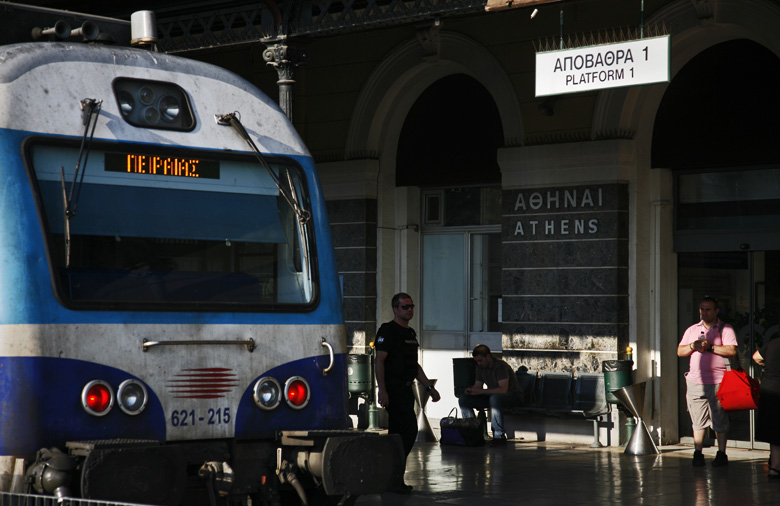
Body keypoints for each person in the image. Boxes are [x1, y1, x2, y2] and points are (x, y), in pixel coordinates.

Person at [375, 292, 440, 493]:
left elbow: (414, 366)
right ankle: (392, 477)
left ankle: (393, 477)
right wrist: (382, 390)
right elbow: (379, 361)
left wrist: (429, 387)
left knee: (402, 435)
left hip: (406, 389)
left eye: (411, 306)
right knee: (407, 432)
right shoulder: (388, 330)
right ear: (395, 309)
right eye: (405, 307)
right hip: (393, 389)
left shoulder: (410, 334)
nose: (409, 310)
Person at [677, 296, 738, 467]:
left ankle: (721, 453)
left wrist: (710, 347)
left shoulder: (725, 328)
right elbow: (680, 351)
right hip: (695, 381)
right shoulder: (692, 330)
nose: (704, 312)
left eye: (708, 309)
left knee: (719, 419)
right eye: (702, 309)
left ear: (716, 311)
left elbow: (731, 350)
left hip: (719, 381)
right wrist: (692, 346)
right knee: (697, 419)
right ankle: (698, 452)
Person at [458, 344, 524, 444]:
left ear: (488, 356)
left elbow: (503, 390)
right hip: (493, 396)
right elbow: (478, 386)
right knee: (464, 399)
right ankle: (471, 432)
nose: (479, 363)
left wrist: (480, 391)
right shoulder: (480, 368)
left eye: (480, 360)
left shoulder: (500, 366)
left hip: (513, 396)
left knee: (495, 398)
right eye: (477, 361)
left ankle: (498, 435)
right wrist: (471, 391)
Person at [753, 335, 780, 479]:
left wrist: (768, 365)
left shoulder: (773, 343)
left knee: (774, 432)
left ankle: (775, 468)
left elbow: (756, 357)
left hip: (769, 389)